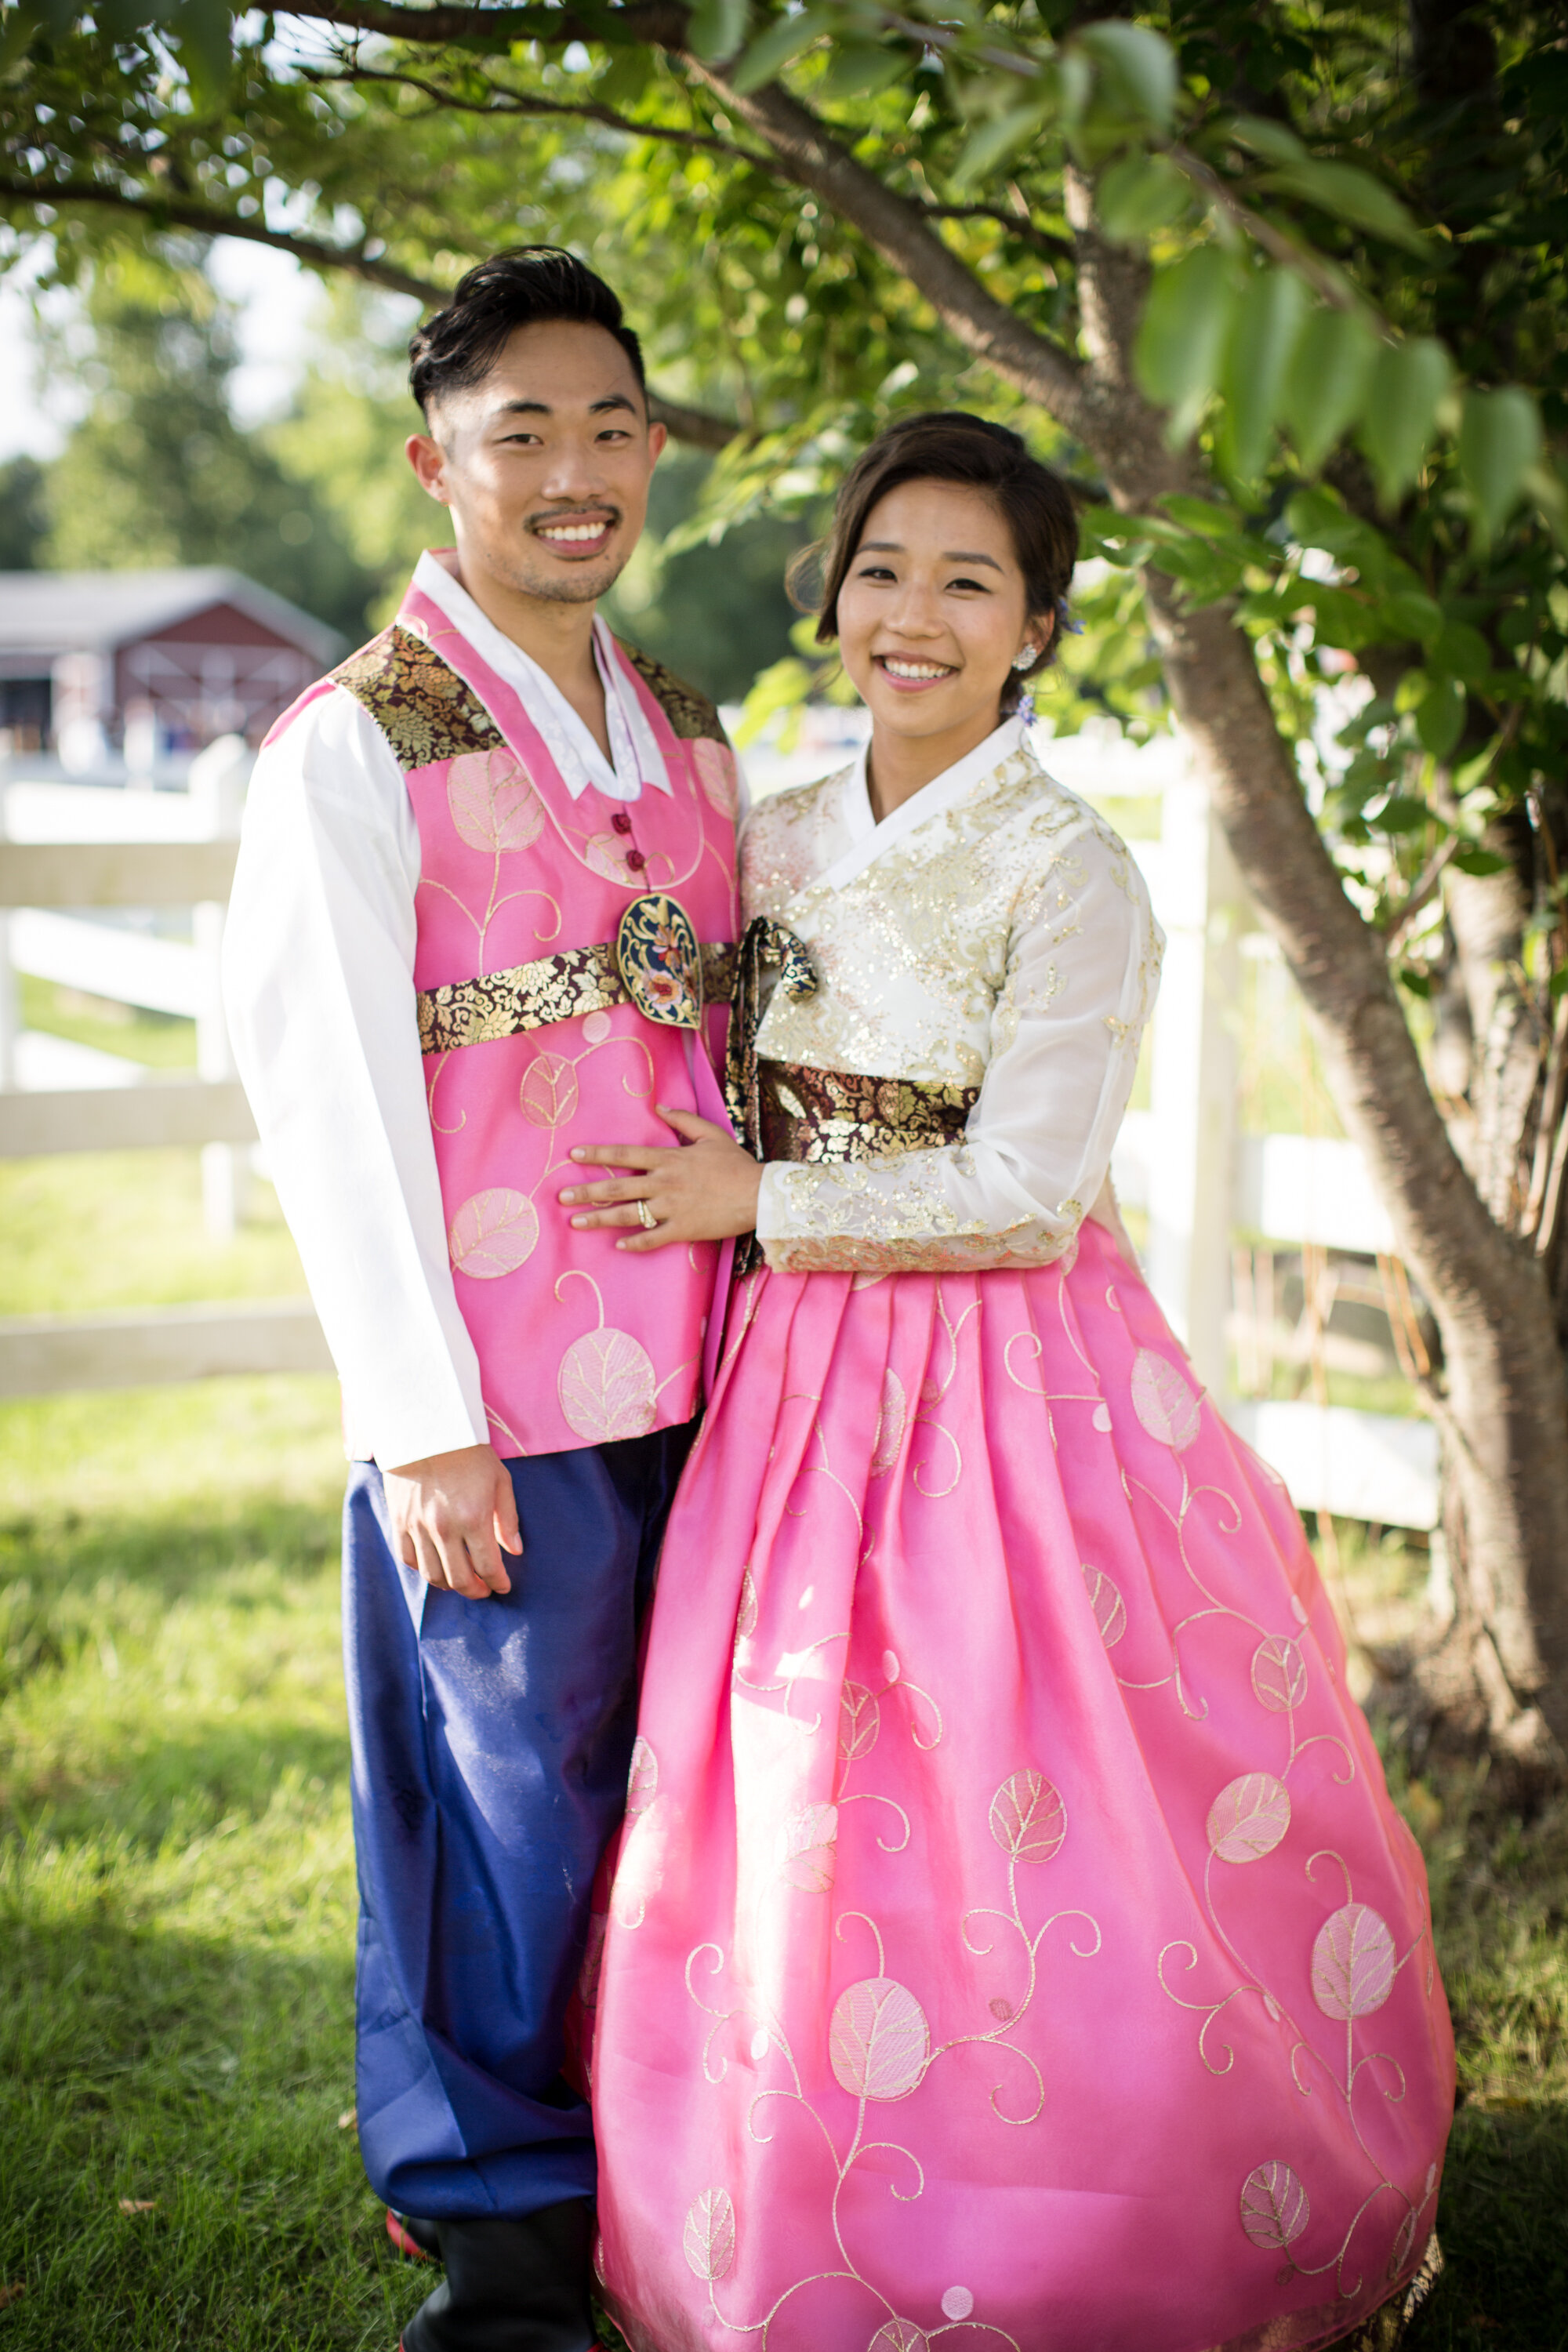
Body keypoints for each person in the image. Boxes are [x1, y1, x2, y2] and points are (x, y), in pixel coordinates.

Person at [560, 412, 1454, 2352]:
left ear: (1037, 625)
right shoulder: (777, 833)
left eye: (969, 583)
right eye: (882, 570)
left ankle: (1086, 2175)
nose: (913, 614)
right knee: (795, 1765)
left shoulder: (1070, 871)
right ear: (835, 592)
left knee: (1015, 1759)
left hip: (1004, 1376)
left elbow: (1031, 1188)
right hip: (794, 1365)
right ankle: (777, 2176)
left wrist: (760, 1192)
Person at [223, 247, 742, 2352]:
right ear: (440, 464)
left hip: (717, 1360)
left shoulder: (688, 723)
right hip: (500, 1392)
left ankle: (673, 2160)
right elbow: (328, 1091)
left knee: (682, 1785)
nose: (577, 470)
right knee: (500, 1801)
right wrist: (417, 1415)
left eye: (612, 426)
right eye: (523, 431)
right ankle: (498, 2232)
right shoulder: (356, 745)